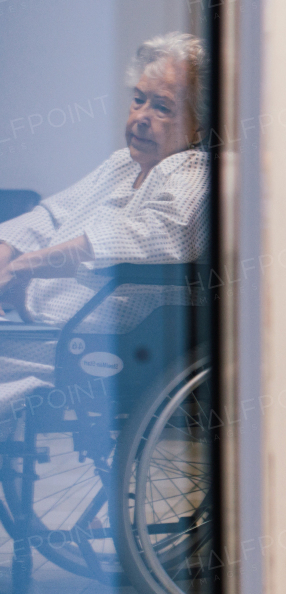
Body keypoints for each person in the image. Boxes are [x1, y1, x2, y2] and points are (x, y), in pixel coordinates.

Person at [0, 32, 211, 425]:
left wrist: (31, 265)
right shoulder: (123, 163)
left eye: (163, 107)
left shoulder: (194, 172)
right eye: (138, 99)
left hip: (91, 346)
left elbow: (157, 232)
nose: (141, 117)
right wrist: (7, 249)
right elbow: (50, 215)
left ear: (199, 125)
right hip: (41, 325)